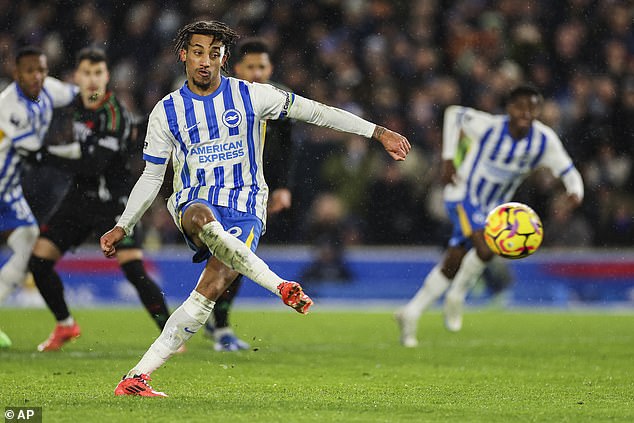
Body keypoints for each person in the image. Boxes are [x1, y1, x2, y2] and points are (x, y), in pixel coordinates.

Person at [100, 20, 410, 397]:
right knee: (202, 217)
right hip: (193, 202)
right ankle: (279, 285)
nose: (205, 61)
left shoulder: (252, 96)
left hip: (247, 207)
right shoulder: (167, 112)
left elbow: (317, 112)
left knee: (206, 295)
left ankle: (137, 377)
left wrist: (377, 132)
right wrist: (124, 224)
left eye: (213, 54)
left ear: (224, 58)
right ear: (184, 55)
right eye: (197, 52)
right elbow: (151, 177)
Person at [395, 85, 584, 347]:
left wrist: (575, 192)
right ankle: (457, 296)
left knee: (455, 259)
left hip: (495, 208)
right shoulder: (490, 127)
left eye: (531, 107)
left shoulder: (544, 140)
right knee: (486, 247)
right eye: (520, 106)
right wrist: (448, 160)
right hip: (463, 195)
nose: (525, 112)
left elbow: (569, 171)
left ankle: (411, 312)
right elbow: (453, 114)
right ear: (509, 108)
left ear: (538, 111)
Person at [27, 47, 173, 352]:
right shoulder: (72, 107)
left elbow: (93, 164)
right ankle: (66, 325)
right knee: (39, 262)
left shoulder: (115, 114)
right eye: (86, 73)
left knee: (133, 270)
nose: (92, 80)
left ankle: (169, 334)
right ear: (77, 77)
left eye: (98, 73)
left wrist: (47, 155)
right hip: (78, 201)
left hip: (113, 205)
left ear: (107, 77)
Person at [202, 38, 294, 352]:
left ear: (270, 68)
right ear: (236, 68)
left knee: (236, 258)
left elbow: (286, 151)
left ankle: (218, 324)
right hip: (217, 190)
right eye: (250, 66)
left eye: (262, 66)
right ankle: (214, 319)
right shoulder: (217, 98)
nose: (257, 72)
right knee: (229, 258)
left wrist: (282, 187)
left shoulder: (279, 102)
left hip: (254, 194)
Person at [0, 46, 77, 348]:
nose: (37, 76)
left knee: (29, 238)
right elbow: (37, 153)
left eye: (42, 70)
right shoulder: (9, 106)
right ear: (16, 73)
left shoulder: (49, 89)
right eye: (30, 71)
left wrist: (99, 100)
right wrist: (77, 152)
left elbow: (79, 94)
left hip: (8, 189)